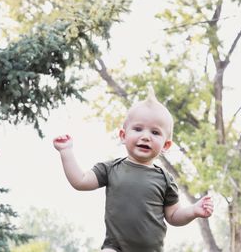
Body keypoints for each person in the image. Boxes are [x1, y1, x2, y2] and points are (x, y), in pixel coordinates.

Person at [53, 89, 214, 252]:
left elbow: (173, 216)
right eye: (138, 129)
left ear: (166, 145)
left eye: (155, 132)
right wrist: (66, 152)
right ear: (123, 135)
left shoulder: (165, 180)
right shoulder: (110, 169)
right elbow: (80, 181)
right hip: (114, 247)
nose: (145, 136)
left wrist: (193, 211)